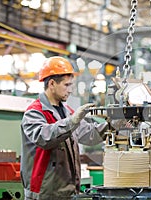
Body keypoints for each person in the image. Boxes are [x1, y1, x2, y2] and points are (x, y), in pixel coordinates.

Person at [20, 56, 108, 200]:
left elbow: (89, 134)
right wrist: (73, 121)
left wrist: (115, 124)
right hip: (44, 193)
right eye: (67, 85)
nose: (71, 90)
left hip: (67, 191)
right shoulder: (35, 112)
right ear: (52, 84)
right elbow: (44, 138)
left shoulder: (67, 112)